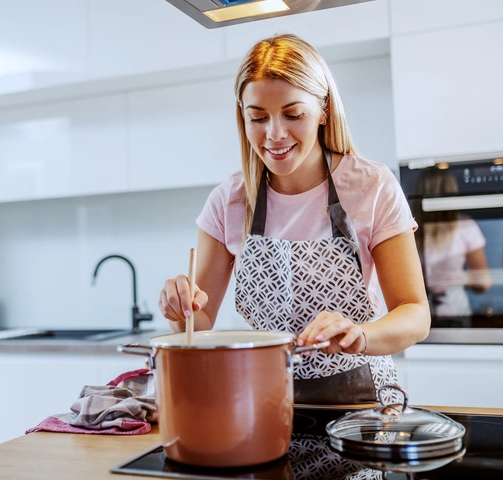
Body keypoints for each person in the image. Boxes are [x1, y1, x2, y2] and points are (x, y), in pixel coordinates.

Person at [158, 34, 430, 404]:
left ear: (325, 110)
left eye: (293, 114)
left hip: (362, 403)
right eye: (257, 117)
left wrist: (360, 335)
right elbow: (199, 323)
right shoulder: (229, 201)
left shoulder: (371, 186)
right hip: (266, 400)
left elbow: (414, 313)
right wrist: (180, 310)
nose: (274, 134)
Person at [412, 167, 492, 318]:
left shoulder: (465, 226)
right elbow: (484, 282)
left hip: (446, 310)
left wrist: (457, 277)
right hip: (427, 310)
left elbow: (484, 281)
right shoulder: (411, 229)